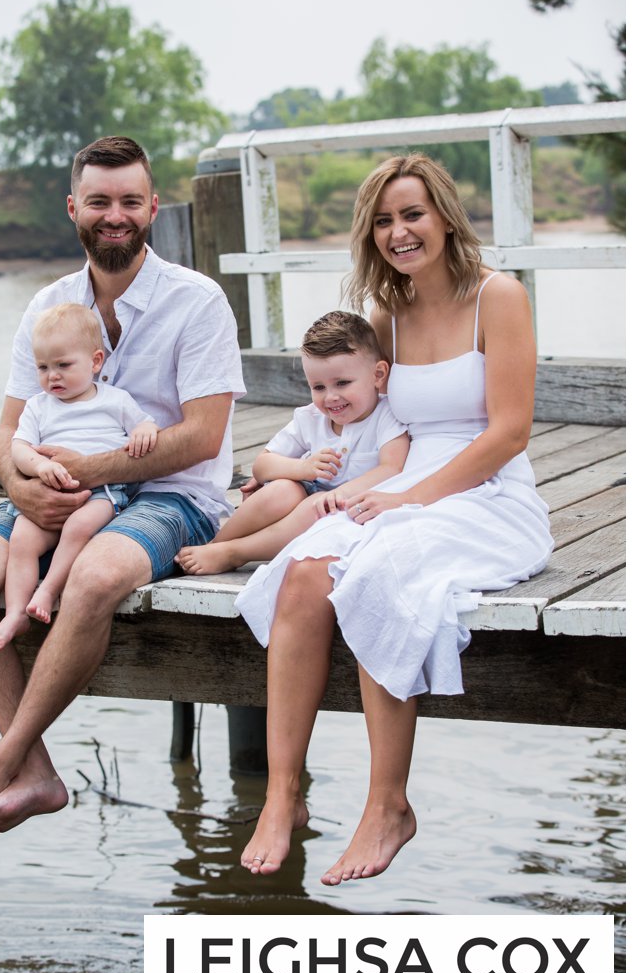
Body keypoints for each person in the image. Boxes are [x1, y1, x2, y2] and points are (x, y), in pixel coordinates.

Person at [232, 153, 553, 886]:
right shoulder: (386, 314)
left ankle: (388, 805)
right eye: (383, 221)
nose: (399, 232)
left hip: (487, 490)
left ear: (444, 215)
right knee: (308, 570)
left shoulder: (497, 297)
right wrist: (317, 483)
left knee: (380, 566)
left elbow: (509, 431)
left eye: (412, 214)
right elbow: (353, 420)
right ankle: (284, 795)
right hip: (402, 481)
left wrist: (412, 498)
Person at [0, 136, 244, 849]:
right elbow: (8, 432)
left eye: (131, 200)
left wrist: (88, 471)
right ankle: (37, 772)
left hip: (174, 497)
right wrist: (23, 485)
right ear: (74, 208)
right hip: (59, 493)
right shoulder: (48, 306)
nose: (116, 214)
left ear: (152, 208)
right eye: (99, 201)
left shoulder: (198, 302)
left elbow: (201, 437)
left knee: (97, 574)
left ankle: (1, 758)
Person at [175, 310, 409, 576]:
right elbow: (262, 466)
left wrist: (341, 494)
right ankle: (217, 544)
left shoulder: (386, 414)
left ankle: (235, 553)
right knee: (283, 490)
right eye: (318, 387)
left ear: (378, 375)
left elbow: (392, 468)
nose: (330, 397)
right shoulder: (309, 418)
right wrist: (304, 469)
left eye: (342, 383)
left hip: (351, 509)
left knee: (316, 505)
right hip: (306, 501)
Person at [0, 301, 158, 650]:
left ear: (95, 361)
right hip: (49, 490)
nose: (53, 376)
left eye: (64, 365)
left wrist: (144, 431)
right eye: (43, 367)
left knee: (79, 528)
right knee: (21, 540)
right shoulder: (38, 406)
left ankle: (48, 589)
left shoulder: (115, 400)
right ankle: (16, 611)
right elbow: (18, 447)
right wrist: (40, 466)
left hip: (101, 493)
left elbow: (145, 424)